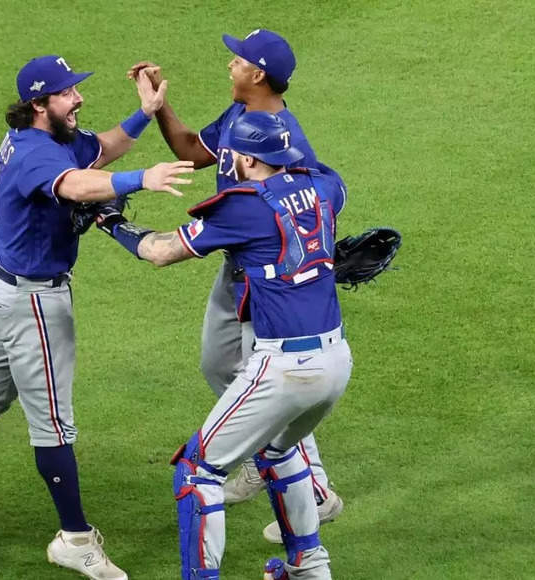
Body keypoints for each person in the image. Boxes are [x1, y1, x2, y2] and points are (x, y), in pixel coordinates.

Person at [0, 55, 193, 580]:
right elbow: (75, 187)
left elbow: (100, 150)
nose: (79, 98)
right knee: (53, 421)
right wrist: (142, 178)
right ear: (39, 104)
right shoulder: (34, 153)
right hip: (30, 299)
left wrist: (145, 112)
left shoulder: (54, 136)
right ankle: (74, 539)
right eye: (68, 93)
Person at [94, 111, 351, 579]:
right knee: (278, 448)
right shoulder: (326, 187)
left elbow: (161, 251)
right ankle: (310, 569)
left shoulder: (244, 206)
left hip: (286, 369)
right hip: (337, 361)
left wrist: (109, 221)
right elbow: (315, 213)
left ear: (246, 158)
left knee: (196, 471)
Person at [127, 28, 343, 543]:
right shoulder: (237, 118)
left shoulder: (283, 136)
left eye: (237, 60)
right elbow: (186, 148)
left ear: (258, 74)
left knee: (267, 380)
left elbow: (310, 202)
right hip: (234, 266)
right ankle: (257, 454)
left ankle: (315, 490)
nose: (230, 65)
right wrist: (158, 106)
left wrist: (308, 259)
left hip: (267, 282)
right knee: (218, 364)